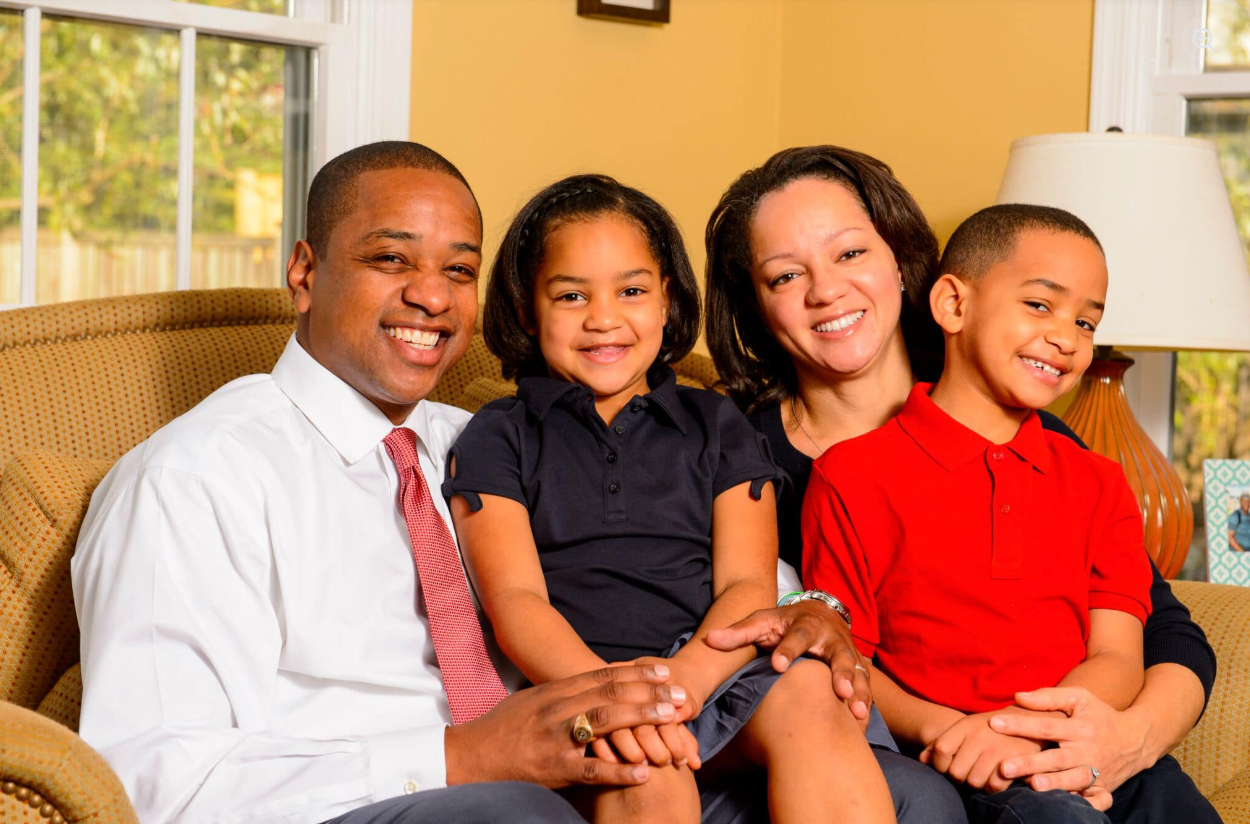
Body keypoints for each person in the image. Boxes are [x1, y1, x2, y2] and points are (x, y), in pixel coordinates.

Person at [70, 141, 866, 824]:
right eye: (390, 258)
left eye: (458, 269)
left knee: (905, 792)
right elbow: (150, 784)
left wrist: (810, 615)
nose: (431, 294)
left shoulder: (468, 439)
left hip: (584, 747)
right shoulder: (194, 477)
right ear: (305, 273)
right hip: (382, 795)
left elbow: (710, 568)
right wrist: (461, 754)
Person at [704, 144, 1218, 819]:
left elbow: (1159, 633)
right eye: (784, 275)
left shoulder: (1059, 455)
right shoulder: (731, 460)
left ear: (901, 260)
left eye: (850, 253)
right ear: (755, 303)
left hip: (1073, 746)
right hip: (909, 764)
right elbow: (814, 662)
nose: (825, 289)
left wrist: (1124, 737)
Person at [444, 174, 896, 824]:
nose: (604, 317)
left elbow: (747, 582)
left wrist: (682, 684)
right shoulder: (499, 435)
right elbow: (517, 604)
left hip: (714, 665)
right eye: (571, 295)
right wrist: (621, 699)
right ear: (525, 310)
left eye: (631, 291)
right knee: (643, 767)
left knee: (809, 693)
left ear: (666, 301)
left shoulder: (718, 424)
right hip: (584, 678)